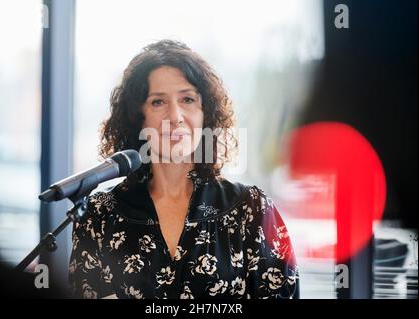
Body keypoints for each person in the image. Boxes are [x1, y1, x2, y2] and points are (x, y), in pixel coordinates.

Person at [68, 39, 299, 299]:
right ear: (138, 117)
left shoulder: (252, 210)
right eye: (158, 102)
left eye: (187, 99)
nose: (175, 115)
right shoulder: (99, 214)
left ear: (205, 114)